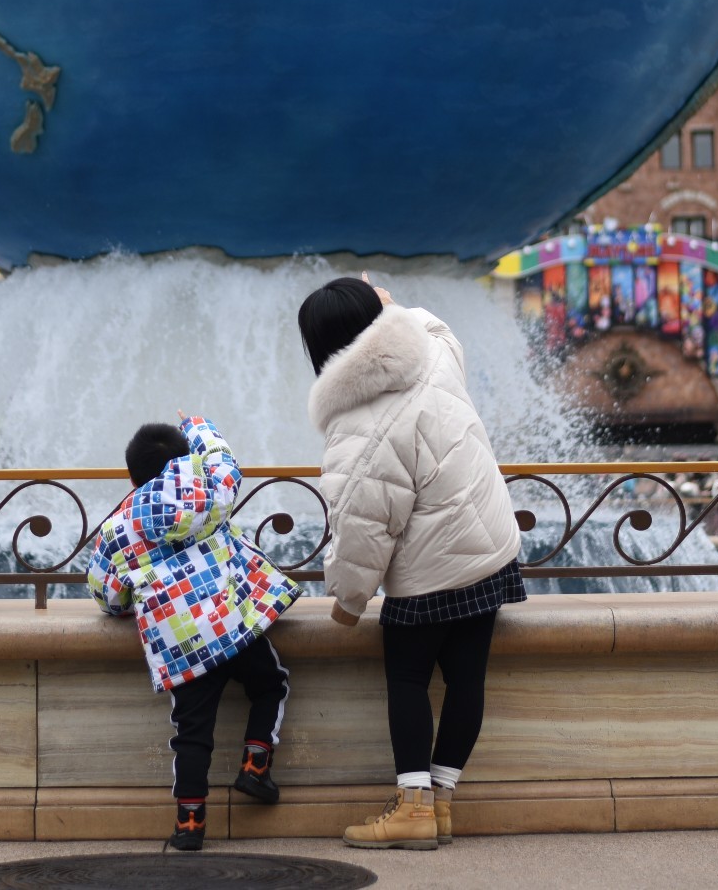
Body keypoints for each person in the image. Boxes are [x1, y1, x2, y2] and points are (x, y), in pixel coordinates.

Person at [301, 275, 525, 852]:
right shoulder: (431, 348)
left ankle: (414, 809)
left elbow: (360, 529)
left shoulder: (355, 426)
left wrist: (349, 601)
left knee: (407, 678)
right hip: (490, 547)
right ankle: (443, 801)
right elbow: (433, 322)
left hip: (430, 571)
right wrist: (390, 304)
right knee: (466, 679)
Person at [86, 414, 300, 852]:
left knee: (191, 732)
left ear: (133, 475)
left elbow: (106, 593)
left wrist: (127, 603)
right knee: (271, 683)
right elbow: (224, 459)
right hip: (233, 625)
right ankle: (256, 765)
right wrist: (196, 423)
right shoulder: (210, 489)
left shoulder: (118, 527)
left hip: (180, 645)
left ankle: (189, 823)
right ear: (185, 458)